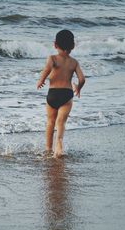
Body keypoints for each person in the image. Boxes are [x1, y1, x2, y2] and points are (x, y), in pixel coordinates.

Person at [36, 30, 85, 158]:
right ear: (73, 46)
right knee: (61, 122)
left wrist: (41, 80)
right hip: (67, 94)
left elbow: (48, 68)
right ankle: (59, 143)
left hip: (52, 93)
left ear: (55, 45)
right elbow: (82, 79)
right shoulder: (74, 62)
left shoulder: (52, 58)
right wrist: (78, 88)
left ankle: (47, 149)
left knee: (50, 122)